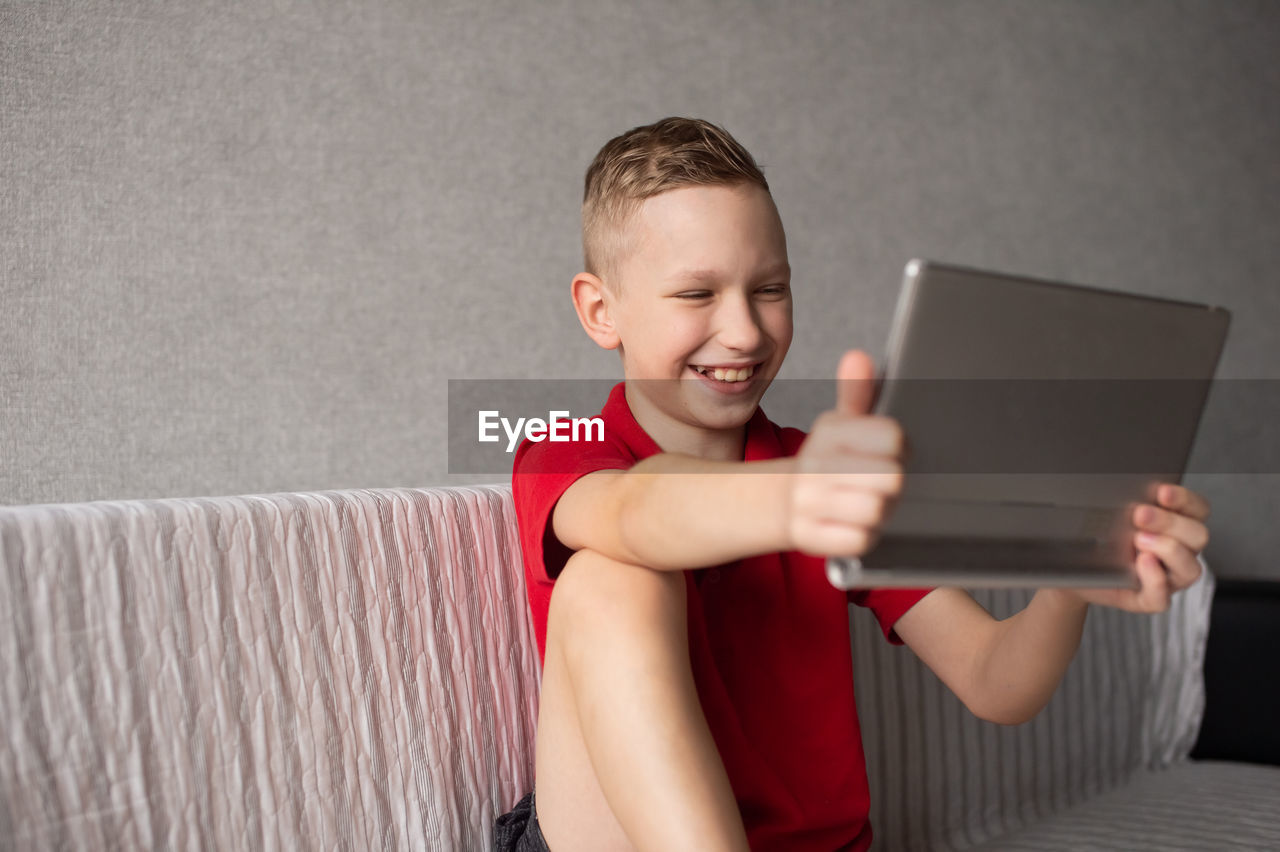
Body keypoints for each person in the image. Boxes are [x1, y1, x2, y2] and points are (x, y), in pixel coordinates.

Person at [492, 117, 1210, 852]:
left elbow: (999, 684)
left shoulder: (822, 478)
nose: (744, 330)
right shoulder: (566, 449)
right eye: (696, 294)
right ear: (599, 310)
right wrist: (798, 497)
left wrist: (1074, 569)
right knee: (612, 577)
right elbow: (637, 511)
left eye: (769, 288)